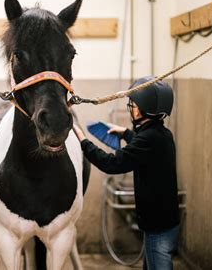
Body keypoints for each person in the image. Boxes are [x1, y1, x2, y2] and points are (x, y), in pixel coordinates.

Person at [73, 76, 180, 270]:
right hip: (165, 220)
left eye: (132, 104)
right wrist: (125, 133)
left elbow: (111, 164)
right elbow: (143, 146)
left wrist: (83, 141)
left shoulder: (147, 139)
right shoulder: (162, 134)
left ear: (141, 108)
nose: (131, 107)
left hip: (157, 225)